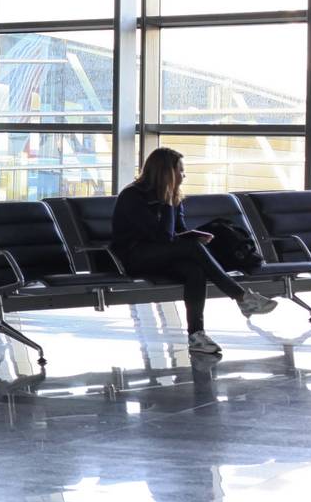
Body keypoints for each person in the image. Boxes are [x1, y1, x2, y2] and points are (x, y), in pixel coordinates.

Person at [112, 147, 277, 355]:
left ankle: (196, 335)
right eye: (180, 171)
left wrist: (194, 235)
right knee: (192, 249)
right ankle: (241, 297)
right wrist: (168, 204)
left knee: (194, 271)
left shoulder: (172, 197)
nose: (184, 175)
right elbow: (162, 237)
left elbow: (178, 232)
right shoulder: (133, 196)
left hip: (162, 256)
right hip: (134, 257)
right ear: (167, 173)